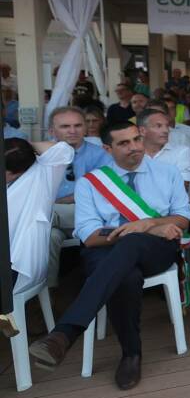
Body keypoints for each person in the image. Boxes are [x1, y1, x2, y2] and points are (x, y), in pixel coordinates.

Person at [29, 121, 190, 390]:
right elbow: (90, 236)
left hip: (158, 250)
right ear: (107, 148)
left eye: (136, 139)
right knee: (126, 274)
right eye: (123, 143)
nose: (134, 147)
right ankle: (131, 354)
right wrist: (144, 228)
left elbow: (183, 217)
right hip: (105, 252)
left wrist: (145, 225)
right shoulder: (90, 183)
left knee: (133, 243)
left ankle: (65, 333)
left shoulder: (167, 172)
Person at [47, 107, 113, 287]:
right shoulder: (45, 154)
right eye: (65, 126)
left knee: (37, 218)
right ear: (52, 131)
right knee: (50, 236)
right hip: (59, 220)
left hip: (89, 216)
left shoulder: (100, 154)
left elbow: (96, 192)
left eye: (78, 125)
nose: (72, 130)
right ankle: (48, 292)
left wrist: (56, 203)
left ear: (85, 128)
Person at [7, 139, 74, 296]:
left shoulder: (41, 176)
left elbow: (63, 150)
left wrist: (23, 147)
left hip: (19, 264)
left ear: (18, 172)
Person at [138, 109, 190, 191]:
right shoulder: (133, 154)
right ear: (142, 131)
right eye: (158, 126)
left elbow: (181, 188)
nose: (166, 130)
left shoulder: (181, 152)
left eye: (167, 126)